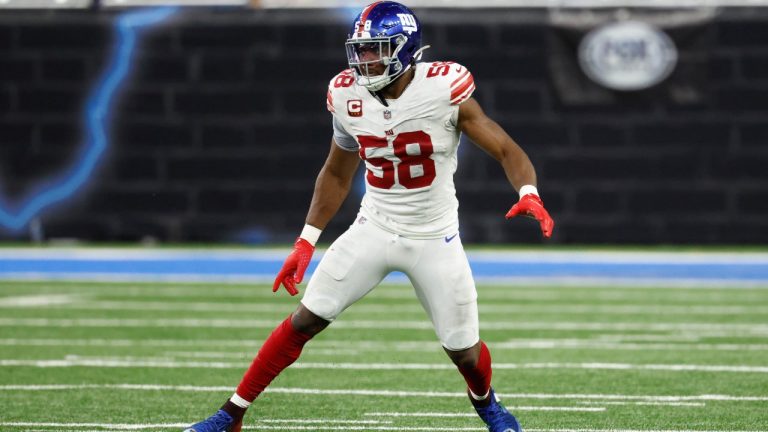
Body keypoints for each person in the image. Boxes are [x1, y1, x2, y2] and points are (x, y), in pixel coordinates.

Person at [184, 2, 554, 432]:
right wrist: (306, 241)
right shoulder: (345, 93)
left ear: (406, 49)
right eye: (360, 50)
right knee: (306, 317)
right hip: (373, 227)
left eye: (376, 50)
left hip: (435, 236)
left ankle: (487, 403)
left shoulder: (444, 86)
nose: (365, 60)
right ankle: (231, 414)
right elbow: (337, 172)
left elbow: (506, 148)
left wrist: (529, 193)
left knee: (464, 351)